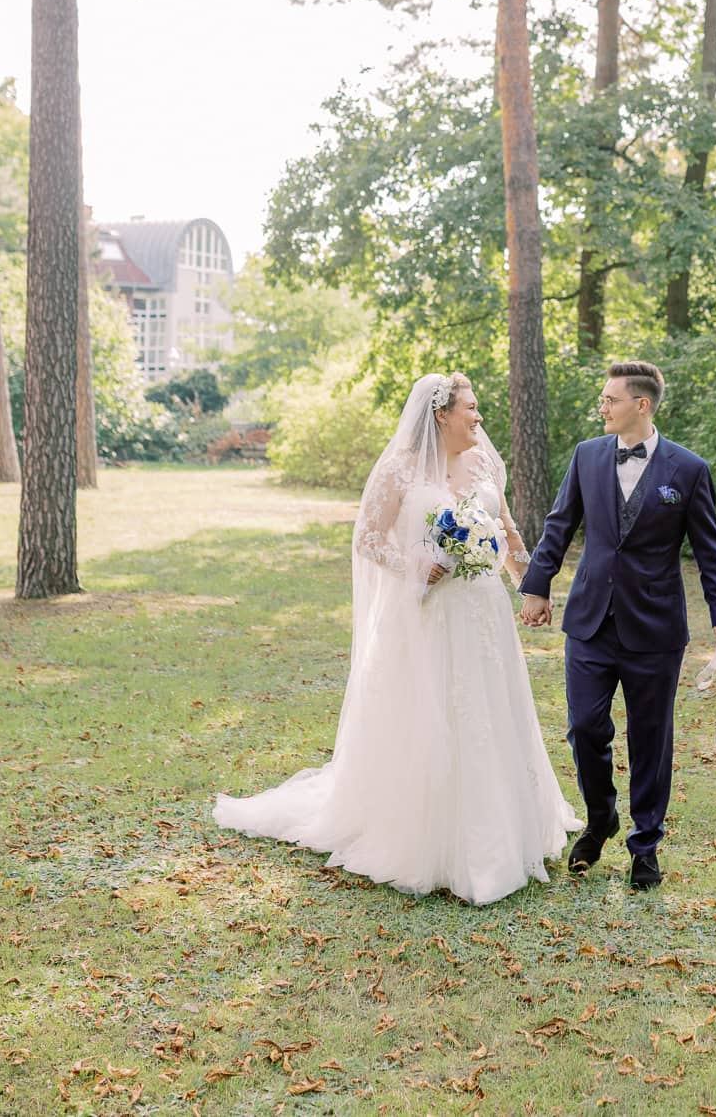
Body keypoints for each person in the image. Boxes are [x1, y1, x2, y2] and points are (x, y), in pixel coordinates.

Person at [214, 372, 580, 905]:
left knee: (489, 712)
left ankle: (503, 828)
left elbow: (506, 533)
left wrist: (532, 586)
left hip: (482, 615)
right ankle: (429, 838)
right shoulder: (400, 469)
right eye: (471, 408)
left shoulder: (484, 464)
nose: (479, 418)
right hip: (427, 618)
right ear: (441, 415)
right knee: (432, 715)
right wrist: (415, 565)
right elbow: (366, 538)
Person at [519, 359, 716, 890]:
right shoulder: (586, 456)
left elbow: (710, 549)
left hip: (655, 629)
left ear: (641, 404)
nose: (603, 406)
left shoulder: (688, 469)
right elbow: (560, 523)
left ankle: (646, 844)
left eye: (610, 399)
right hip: (590, 621)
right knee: (585, 727)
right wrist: (537, 585)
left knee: (651, 737)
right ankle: (600, 819)